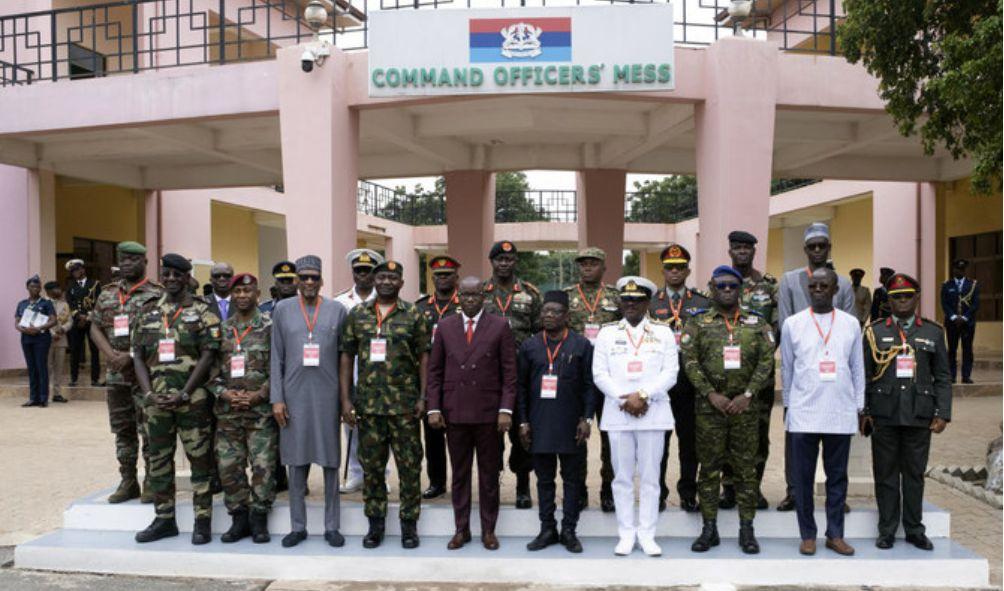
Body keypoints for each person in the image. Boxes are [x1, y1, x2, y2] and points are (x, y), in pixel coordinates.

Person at [682, 265, 775, 555]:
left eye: (731, 286)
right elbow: (690, 361)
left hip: (745, 409)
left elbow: (766, 361)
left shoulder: (757, 322)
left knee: (746, 470)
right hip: (710, 409)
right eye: (720, 286)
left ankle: (747, 529)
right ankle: (709, 529)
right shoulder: (697, 322)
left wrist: (748, 394)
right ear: (712, 288)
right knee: (709, 469)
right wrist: (710, 394)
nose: (726, 291)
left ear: (739, 290)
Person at [131, 254, 221, 545]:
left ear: (186, 277)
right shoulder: (147, 312)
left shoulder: (203, 311)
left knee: (200, 462)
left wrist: (184, 393)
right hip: (156, 402)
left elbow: (209, 355)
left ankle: (203, 520)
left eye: (177, 275)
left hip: (191, 401)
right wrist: (147, 394)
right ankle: (164, 518)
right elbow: (138, 357)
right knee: (158, 461)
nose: (171, 279)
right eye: (166, 274)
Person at [340, 260, 429, 550]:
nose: (387, 281)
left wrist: (422, 396)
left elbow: (424, 357)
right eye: (382, 277)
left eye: (393, 277)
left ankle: (408, 525)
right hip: (369, 406)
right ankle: (375, 524)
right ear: (375, 281)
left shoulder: (414, 314)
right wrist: (345, 399)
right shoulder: (357, 315)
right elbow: (346, 357)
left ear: (401, 283)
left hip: (404, 407)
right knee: (373, 469)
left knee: (410, 467)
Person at [862, 273, 951, 551]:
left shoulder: (933, 332)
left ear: (916, 298)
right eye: (896, 297)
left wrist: (943, 412)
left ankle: (914, 529)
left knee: (914, 474)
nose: (902, 301)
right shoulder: (875, 332)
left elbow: (943, 377)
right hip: (884, 413)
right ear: (888, 301)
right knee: (885, 474)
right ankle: (887, 529)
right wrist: (864, 411)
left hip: (919, 414)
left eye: (907, 296)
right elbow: (864, 375)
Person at [427, 276, 517, 551]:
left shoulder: (500, 326)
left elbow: (509, 374)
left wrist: (506, 409)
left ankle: (488, 530)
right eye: (464, 295)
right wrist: (434, 407)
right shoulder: (444, 327)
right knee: (460, 475)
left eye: (474, 295)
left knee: (489, 475)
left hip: (489, 414)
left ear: (483, 296)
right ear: (458, 296)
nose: (469, 300)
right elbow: (435, 372)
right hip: (455, 413)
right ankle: (461, 529)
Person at [780, 267, 864, 556]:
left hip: (840, 412)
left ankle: (835, 534)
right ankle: (807, 535)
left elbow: (857, 368)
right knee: (802, 480)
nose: (817, 291)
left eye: (823, 286)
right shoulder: (792, 324)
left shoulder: (851, 324)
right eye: (813, 286)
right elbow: (788, 369)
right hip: (804, 412)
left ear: (835, 289)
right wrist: (789, 407)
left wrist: (860, 405)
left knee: (837, 477)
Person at [593, 276, 678, 557]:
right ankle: (626, 533)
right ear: (619, 302)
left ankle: (648, 534)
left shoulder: (663, 332)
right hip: (618, 414)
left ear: (648, 302)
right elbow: (599, 374)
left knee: (652, 477)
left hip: (653, 412)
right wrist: (624, 398)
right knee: (622, 477)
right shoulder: (606, 333)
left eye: (637, 299)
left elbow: (670, 373)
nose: (630, 304)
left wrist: (642, 395)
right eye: (626, 299)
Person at [776, 222, 856, 511]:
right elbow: (784, 322)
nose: (818, 250)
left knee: (836, 436)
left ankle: (837, 496)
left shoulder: (843, 283)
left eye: (823, 245)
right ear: (805, 249)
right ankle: (795, 491)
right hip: (803, 370)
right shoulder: (788, 281)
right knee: (796, 436)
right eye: (813, 246)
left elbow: (850, 329)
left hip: (834, 371)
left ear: (829, 247)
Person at [270, 255, 347, 548]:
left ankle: (331, 526)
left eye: (315, 277)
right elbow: (276, 357)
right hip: (292, 396)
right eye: (304, 278)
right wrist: (277, 399)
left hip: (327, 397)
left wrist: (344, 400)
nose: (310, 282)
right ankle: (298, 526)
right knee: (295, 461)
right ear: (297, 281)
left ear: (322, 280)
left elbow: (344, 359)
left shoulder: (338, 311)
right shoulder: (282, 310)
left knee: (330, 462)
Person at [517, 290, 594, 553]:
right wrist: (523, 422)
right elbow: (521, 388)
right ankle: (547, 529)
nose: (548, 316)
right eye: (545, 311)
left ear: (567, 316)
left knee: (572, 480)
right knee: (544, 480)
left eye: (555, 312)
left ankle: (569, 530)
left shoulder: (581, 345)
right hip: (539, 424)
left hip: (572, 426)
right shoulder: (529, 346)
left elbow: (588, 386)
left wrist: (587, 418)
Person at [89, 241, 162, 504]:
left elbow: (165, 332)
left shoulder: (157, 294)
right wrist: (110, 355)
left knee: (150, 429)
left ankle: (152, 480)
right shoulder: (107, 293)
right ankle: (128, 480)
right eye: (123, 259)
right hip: (116, 376)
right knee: (123, 430)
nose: (127, 264)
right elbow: (95, 327)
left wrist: (132, 357)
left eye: (133, 259)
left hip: (145, 377)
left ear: (144, 262)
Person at [210, 273, 277, 545]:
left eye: (247, 291)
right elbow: (209, 370)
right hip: (228, 413)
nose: (241, 296)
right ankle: (239, 518)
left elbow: (280, 368)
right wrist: (224, 393)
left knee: (263, 466)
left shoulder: (270, 327)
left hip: (260, 413)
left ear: (257, 294)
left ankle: (259, 518)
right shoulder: (222, 330)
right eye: (237, 292)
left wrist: (259, 395)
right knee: (229, 466)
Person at [719, 230, 777, 511]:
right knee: (726, 432)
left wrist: (760, 364)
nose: (742, 252)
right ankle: (728, 488)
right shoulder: (718, 284)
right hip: (724, 376)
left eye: (747, 247)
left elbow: (775, 329)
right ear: (729, 251)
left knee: (757, 434)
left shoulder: (768, 287)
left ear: (754, 251)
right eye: (737, 247)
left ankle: (752, 488)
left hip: (759, 376)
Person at [649, 243, 708, 513]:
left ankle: (687, 492)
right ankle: (657, 492)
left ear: (688, 270)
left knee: (690, 442)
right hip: (660, 384)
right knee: (658, 441)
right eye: (670, 267)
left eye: (680, 267)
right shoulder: (651, 302)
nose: (675, 272)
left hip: (690, 383)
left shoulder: (701, 302)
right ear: (663, 270)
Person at [483, 240, 541, 509]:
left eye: (509, 259)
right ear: (492, 262)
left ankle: (522, 487)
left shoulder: (530, 294)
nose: (504, 264)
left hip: (522, 376)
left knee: (522, 432)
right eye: (499, 259)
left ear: (516, 261)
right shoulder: (480, 293)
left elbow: (541, 333)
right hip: (488, 377)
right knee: (490, 435)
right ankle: (491, 485)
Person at [563, 246, 619, 512]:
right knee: (577, 435)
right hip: (578, 376)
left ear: (603, 267)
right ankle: (579, 491)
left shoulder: (616, 298)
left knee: (610, 436)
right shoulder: (567, 297)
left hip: (610, 377)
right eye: (583, 263)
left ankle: (608, 489)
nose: (587, 267)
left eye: (593, 263)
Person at [334, 248, 386, 493]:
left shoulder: (387, 298)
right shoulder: (341, 302)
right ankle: (356, 474)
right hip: (352, 374)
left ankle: (381, 475)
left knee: (381, 430)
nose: (363, 275)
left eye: (368, 271)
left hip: (383, 376)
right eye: (359, 270)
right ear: (353, 273)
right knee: (351, 425)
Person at [414, 255, 462, 500]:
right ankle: (437, 481)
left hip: (458, 379)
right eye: (439, 275)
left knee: (458, 434)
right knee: (432, 435)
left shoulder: (465, 305)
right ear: (433, 278)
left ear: (456, 277)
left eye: (448, 274)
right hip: (430, 378)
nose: (443, 279)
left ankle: (460, 482)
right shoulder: (421, 307)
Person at [15, 275, 57, 408]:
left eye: (38, 286)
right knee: (31, 368)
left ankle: (43, 398)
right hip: (26, 339)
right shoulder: (22, 304)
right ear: (27, 287)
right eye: (32, 286)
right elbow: (17, 322)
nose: (36, 289)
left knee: (41, 367)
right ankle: (33, 398)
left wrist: (39, 328)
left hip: (41, 339)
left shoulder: (46, 303)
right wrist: (24, 330)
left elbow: (53, 320)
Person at [941, 258, 980, 384]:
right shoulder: (947, 285)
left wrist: (964, 317)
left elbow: (975, 304)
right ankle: (952, 376)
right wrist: (953, 317)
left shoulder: (973, 285)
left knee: (967, 349)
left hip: (967, 323)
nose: (960, 271)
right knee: (952, 349)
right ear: (953, 270)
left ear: (965, 271)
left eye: (962, 269)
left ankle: (966, 376)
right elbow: (944, 303)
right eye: (957, 269)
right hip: (952, 323)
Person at [65, 258, 101, 387]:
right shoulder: (71, 286)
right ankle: (74, 379)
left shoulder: (95, 284)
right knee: (75, 351)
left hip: (91, 321)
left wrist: (88, 317)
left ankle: (95, 379)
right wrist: (78, 316)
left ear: (83, 270)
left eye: (77, 270)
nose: (75, 273)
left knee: (94, 350)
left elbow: (98, 302)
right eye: (72, 271)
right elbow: (70, 303)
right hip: (77, 322)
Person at [43, 281, 71, 404]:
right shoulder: (43, 303)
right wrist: (52, 333)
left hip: (61, 340)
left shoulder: (64, 304)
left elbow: (70, 321)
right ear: (49, 291)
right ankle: (45, 393)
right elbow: (41, 321)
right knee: (46, 367)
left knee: (59, 368)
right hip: (46, 340)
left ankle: (57, 394)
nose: (59, 291)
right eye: (56, 289)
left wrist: (63, 329)